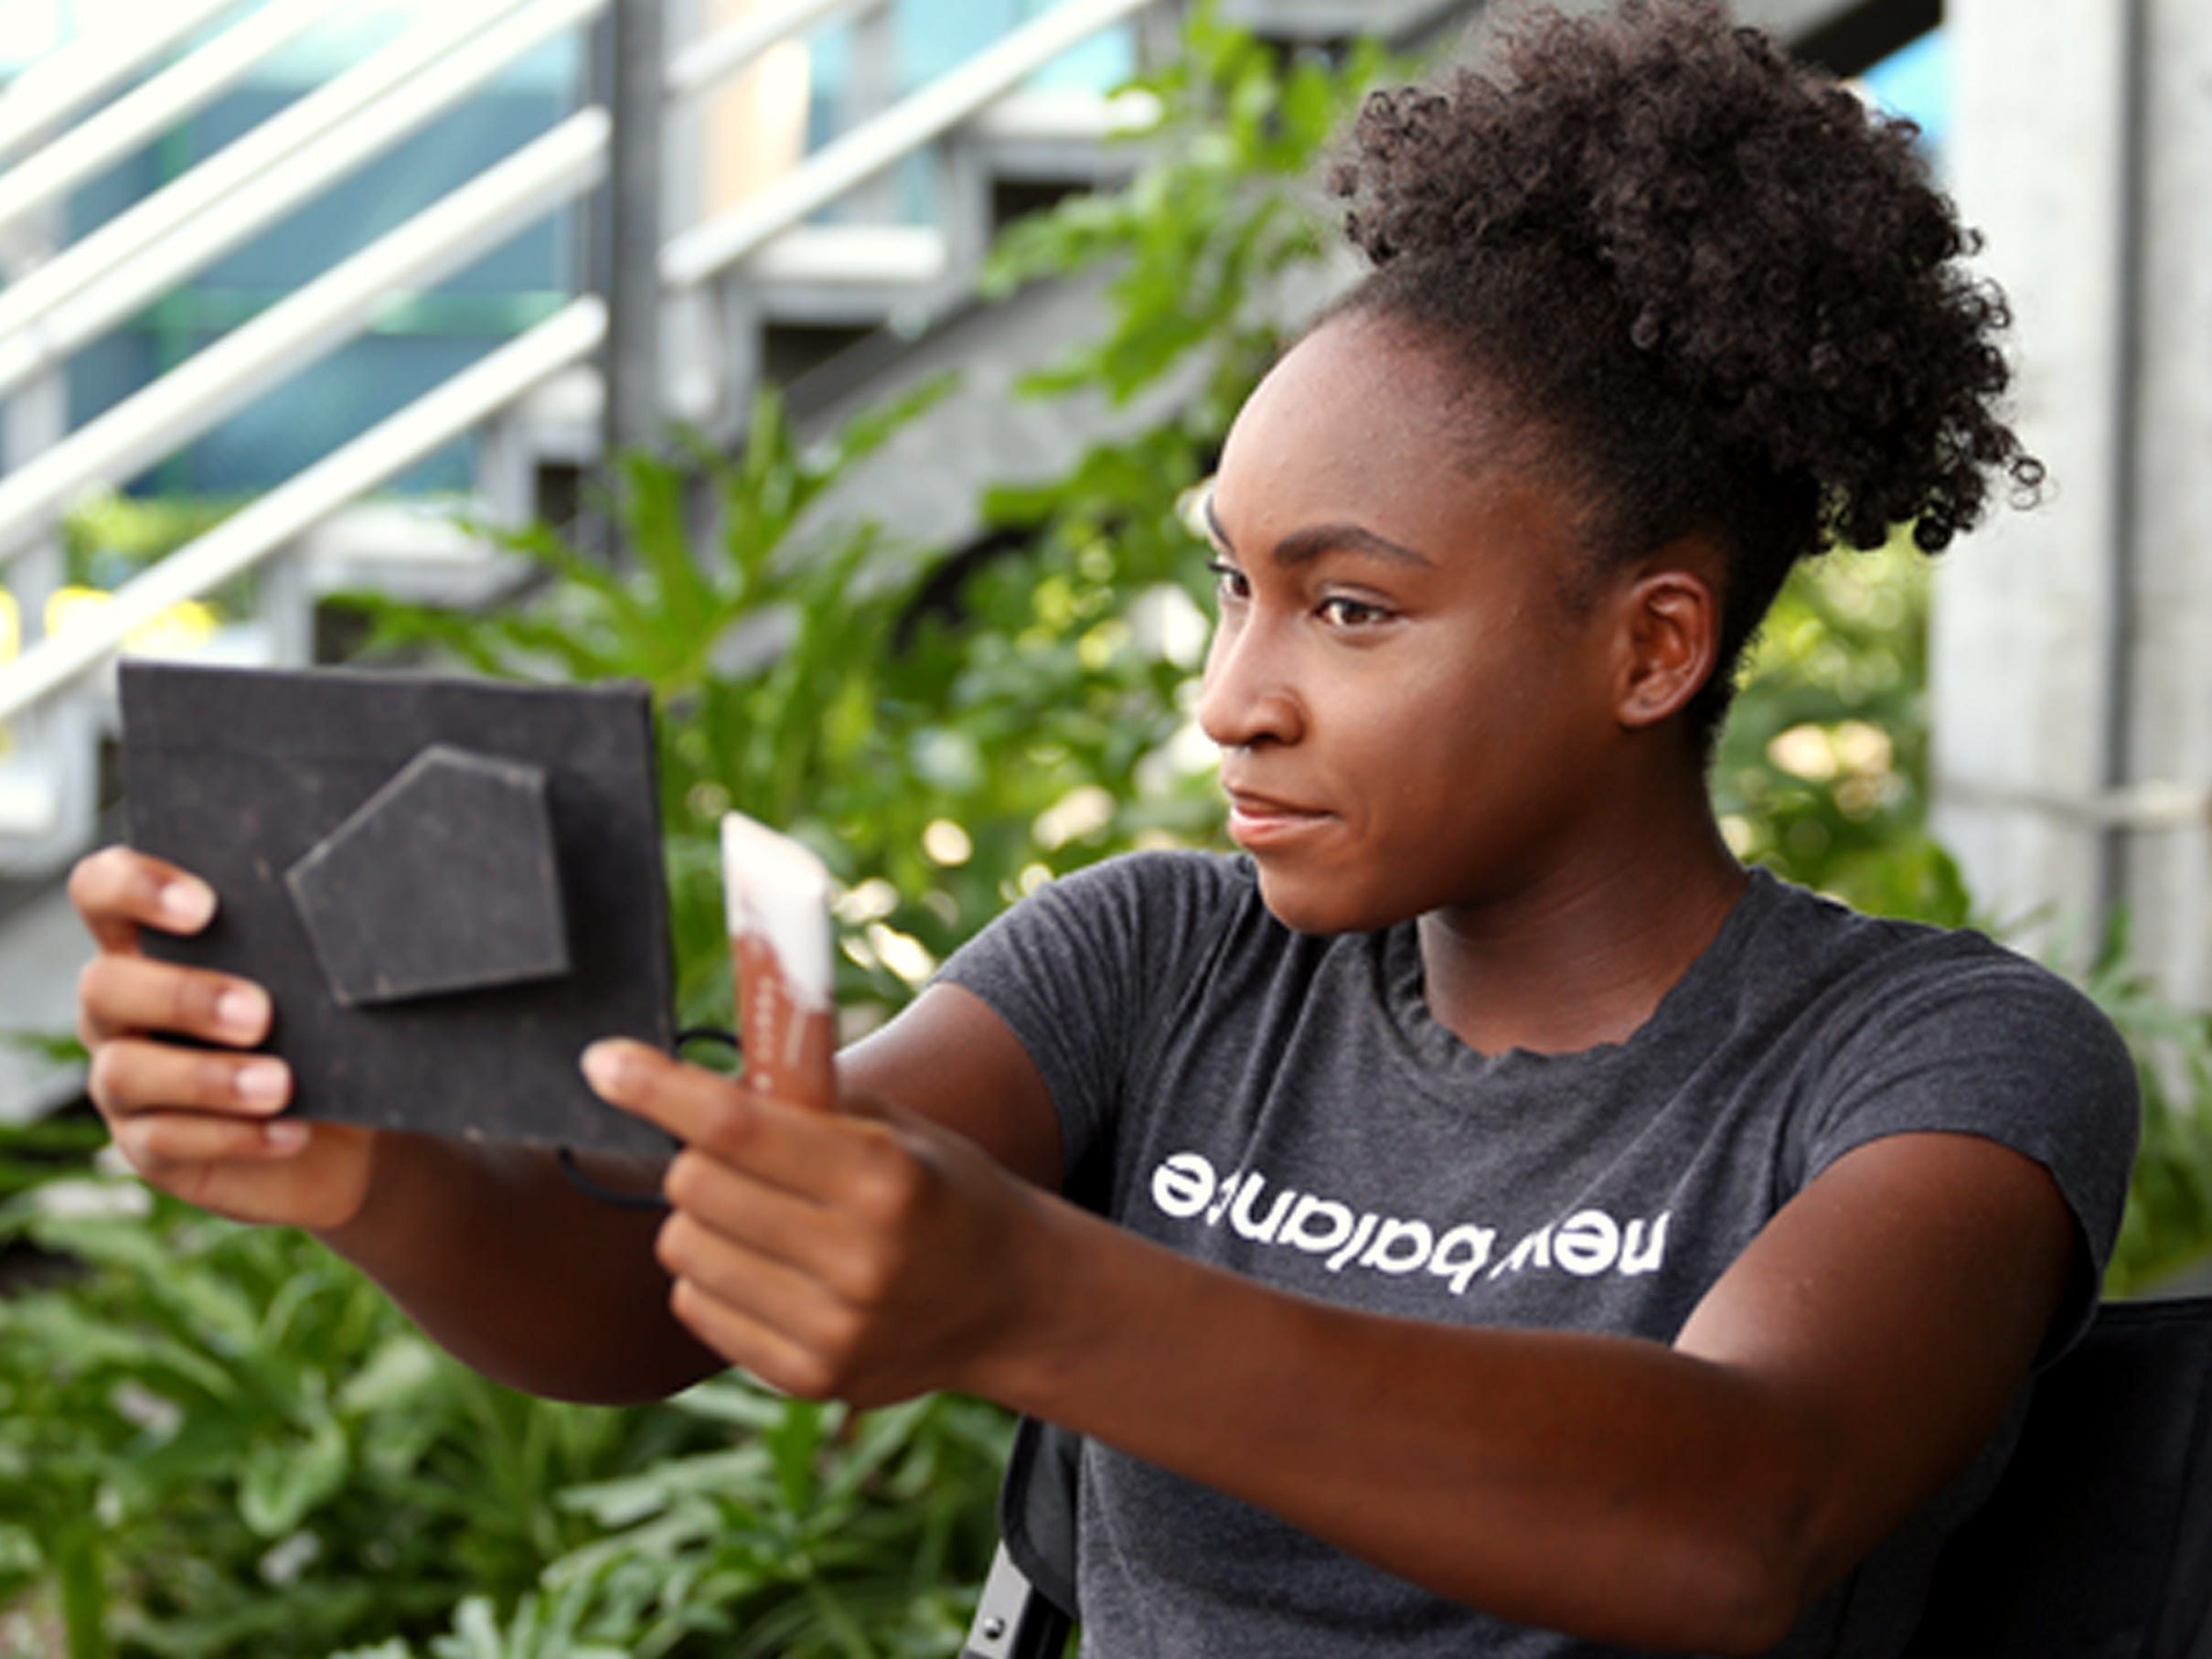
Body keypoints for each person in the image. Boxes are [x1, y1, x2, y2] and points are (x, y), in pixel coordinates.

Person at [70, 4, 2139, 1654]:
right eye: (1230, 583)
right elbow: (654, 1298)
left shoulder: (1934, 1065)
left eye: (1349, 604)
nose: (1236, 687)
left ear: (1650, 644)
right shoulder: (1158, 960)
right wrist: (366, 1160)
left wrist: (1036, 1300)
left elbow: (1732, 1518)